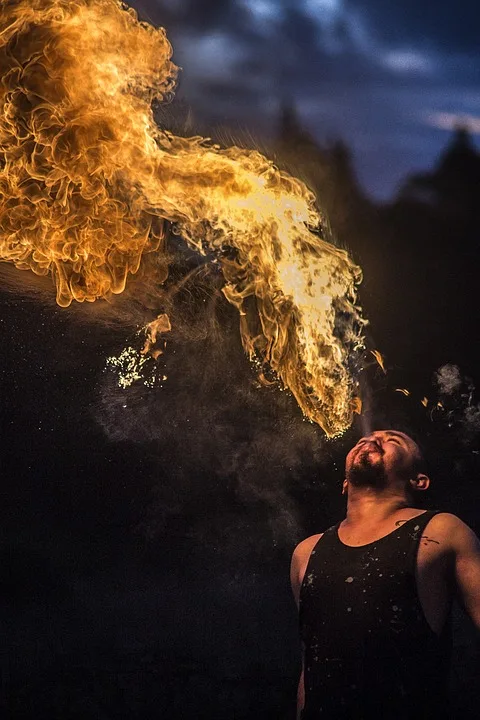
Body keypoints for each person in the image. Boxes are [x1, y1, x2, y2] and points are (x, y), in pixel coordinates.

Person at [290, 429, 480, 719]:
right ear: (344, 483)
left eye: (393, 439)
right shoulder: (306, 551)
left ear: (419, 480)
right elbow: (311, 666)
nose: (372, 438)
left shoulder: (442, 530)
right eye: (363, 439)